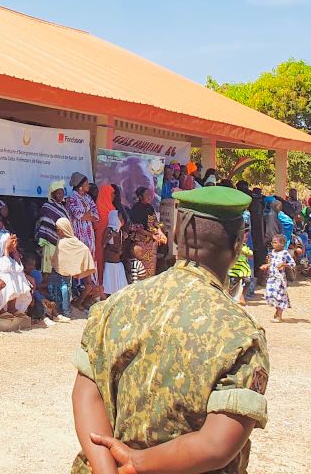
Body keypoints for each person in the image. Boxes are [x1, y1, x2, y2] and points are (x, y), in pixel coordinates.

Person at [74, 186, 269, 474]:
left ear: (176, 234)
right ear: (239, 243)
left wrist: (106, 468)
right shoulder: (240, 333)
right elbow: (216, 445)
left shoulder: (116, 304)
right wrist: (135, 463)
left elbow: (87, 393)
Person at [66, 172, 100, 281]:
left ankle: (92, 283)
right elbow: (78, 215)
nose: (88, 185)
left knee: (90, 256)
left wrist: (87, 215)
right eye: (86, 183)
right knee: (80, 256)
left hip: (89, 234)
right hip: (78, 233)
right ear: (80, 186)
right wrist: (87, 215)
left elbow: (96, 215)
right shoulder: (71, 198)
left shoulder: (88, 197)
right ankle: (81, 284)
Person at [0, 233, 33, 318]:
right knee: (7, 276)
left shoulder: (9, 258)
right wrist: (6, 249)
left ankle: (12, 308)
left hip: (6, 271)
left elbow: (19, 268)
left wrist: (14, 250)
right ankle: (0, 309)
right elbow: (5, 268)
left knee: (19, 275)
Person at [126, 187, 163, 280]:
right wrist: (152, 235)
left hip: (151, 244)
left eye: (149, 194)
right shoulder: (136, 209)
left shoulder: (150, 208)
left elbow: (155, 222)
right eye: (146, 194)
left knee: (151, 269)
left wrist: (160, 232)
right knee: (140, 270)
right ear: (140, 196)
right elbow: (137, 228)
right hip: (140, 243)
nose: (149, 196)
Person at [261, 234, 295, 323]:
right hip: (271, 277)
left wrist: (284, 264)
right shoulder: (272, 252)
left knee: (279, 296)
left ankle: (279, 316)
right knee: (271, 295)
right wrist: (266, 265)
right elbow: (272, 263)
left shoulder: (285, 253)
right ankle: (277, 311)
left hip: (279, 279)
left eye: (275, 242)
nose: (273, 244)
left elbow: (293, 264)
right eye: (272, 242)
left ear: (282, 243)